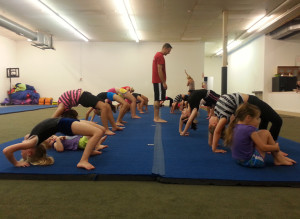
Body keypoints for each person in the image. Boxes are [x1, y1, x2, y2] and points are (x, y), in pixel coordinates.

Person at [2, 117, 105, 170]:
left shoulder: (30, 140)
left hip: (62, 121)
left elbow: (9, 150)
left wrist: (19, 161)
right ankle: (83, 160)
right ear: (29, 152)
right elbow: (6, 151)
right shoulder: (31, 143)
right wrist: (16, 163)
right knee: (98, 132)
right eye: (21, 152)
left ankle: (90, 150)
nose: (20, 150)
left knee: (102, 129)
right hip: (62, 124)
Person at [224, 103, 296, 167]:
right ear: (248, 118)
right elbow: (263, 148)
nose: (258, 121)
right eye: (257, 118)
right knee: (266, 133)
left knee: (262, 132)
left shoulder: (235, 126)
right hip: (252, 162)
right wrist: (276, 147)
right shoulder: (249, 129)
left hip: (238, 160)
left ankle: (279, 158)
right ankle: (278, 158)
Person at [209, 93, 283, 153]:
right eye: (211, 124)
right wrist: (214, 148)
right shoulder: (223, 117)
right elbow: (216, 131)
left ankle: (264, 144)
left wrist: (211, 143)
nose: (210, 122)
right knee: (277, 120)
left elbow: (214, 131)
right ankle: (271, 148)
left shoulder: (216, 112)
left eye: (210, 123)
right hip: (250, 102)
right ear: (216, 124)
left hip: (248, 101)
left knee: (266, 119)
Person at [152, 43, 172, 123]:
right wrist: (163, 82)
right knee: (158, 99)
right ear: (165, 48)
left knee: (157, 99)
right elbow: (159, 70)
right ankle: (156, 118)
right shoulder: (160, 56)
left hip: (157, 81)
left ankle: (156, 117)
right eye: (169, 51)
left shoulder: (157, 55)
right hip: (159, 81)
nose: (169, 53)